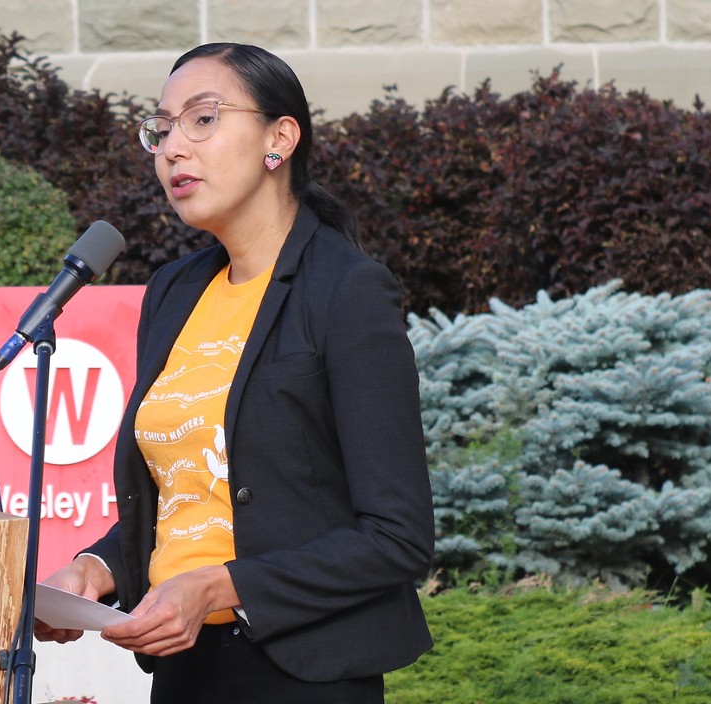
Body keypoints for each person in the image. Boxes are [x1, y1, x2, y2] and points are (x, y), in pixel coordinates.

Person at [34, 42, 436, 704]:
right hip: (184, 671)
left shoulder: (346, 290)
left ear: (279, 138)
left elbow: (397, 537)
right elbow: (187, 502)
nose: (171, 148)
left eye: (203, 119)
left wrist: (220, 587)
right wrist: (94, 570)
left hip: (302, 674)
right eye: (161, 130)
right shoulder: (173, 291)